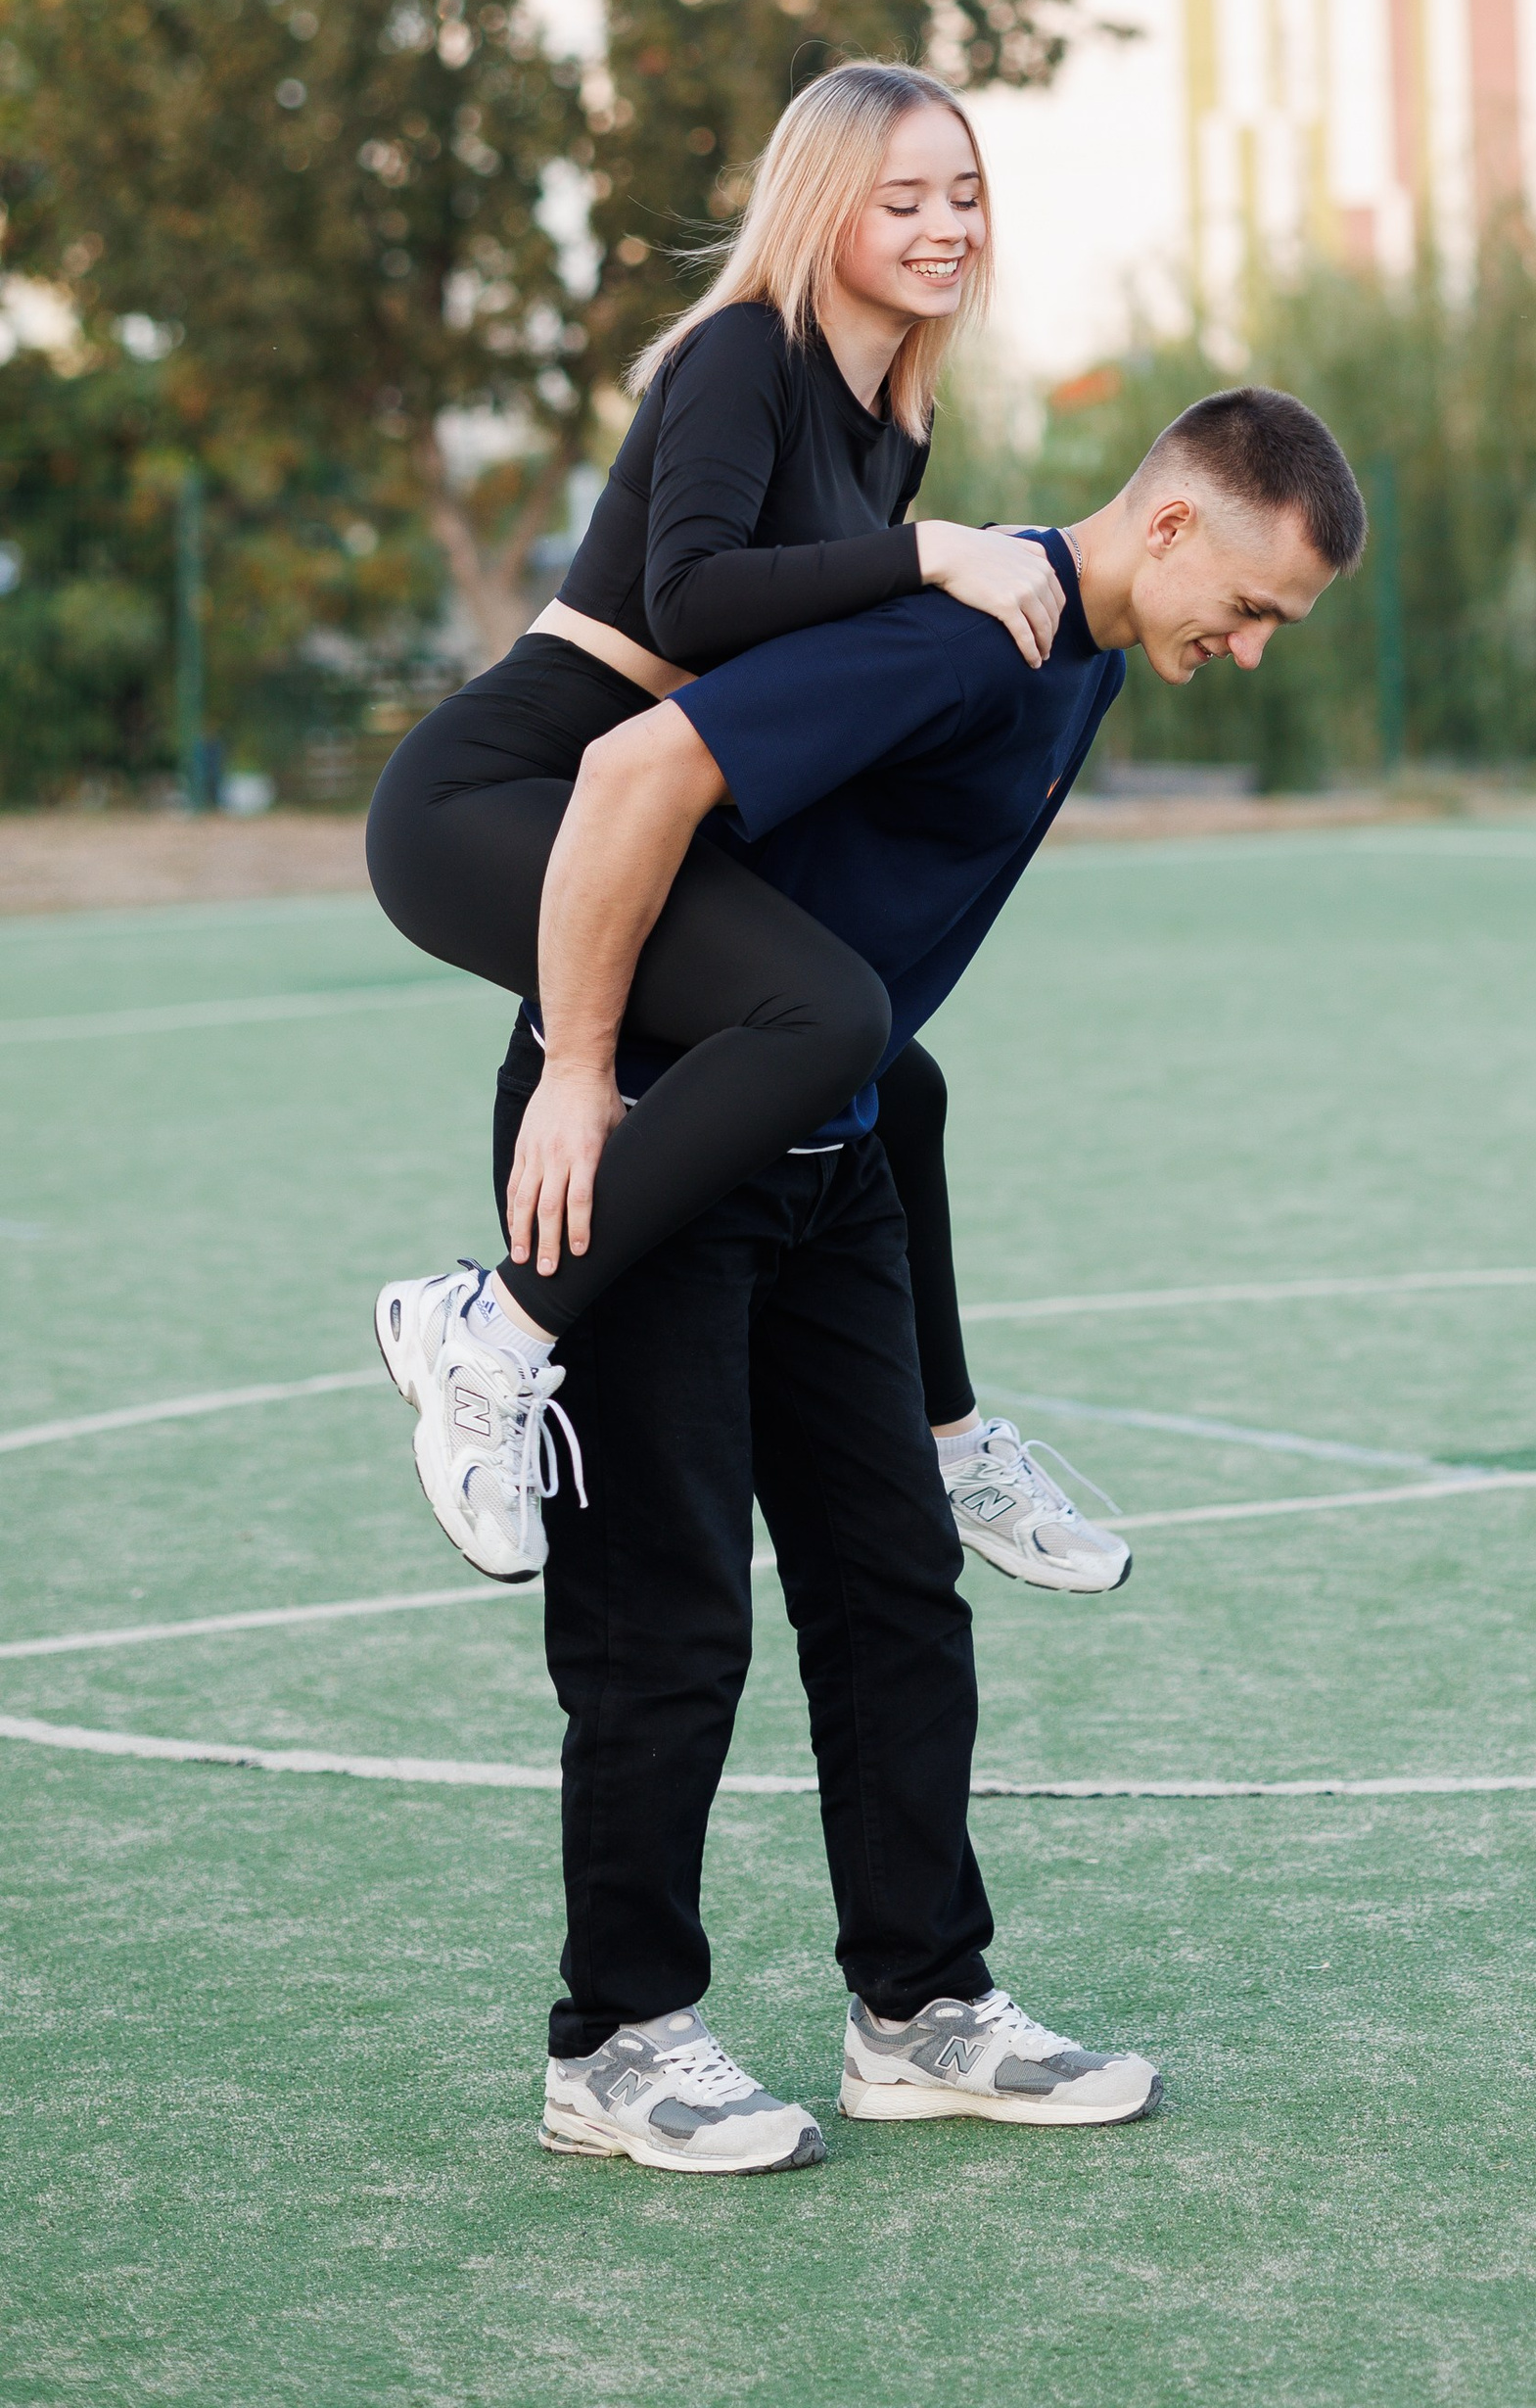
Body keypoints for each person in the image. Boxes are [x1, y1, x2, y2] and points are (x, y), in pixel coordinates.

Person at [425, 391, 1365, 2168]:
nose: (1247, 650)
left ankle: (920, 2008)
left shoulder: (1082, 659)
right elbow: (632, 777)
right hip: (648, 1143)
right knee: (665, 1617)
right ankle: (615, 2039)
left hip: (828, 1148)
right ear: (1170, 524)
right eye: (1249, 609)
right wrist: (577, 1067)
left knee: (893, 1595)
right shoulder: (964, 634)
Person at [365, 59, 1126, 1592]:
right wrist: (933, 553)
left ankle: (952, 1446)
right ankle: (488, 1329)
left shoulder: (893, 416)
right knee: (828, 1011)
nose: (947, 227)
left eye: (965, 195)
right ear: (824, 207)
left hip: (648, 810)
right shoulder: (744, 354)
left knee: (889, 1076)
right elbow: (693, 597)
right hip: (499, 795)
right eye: (904, 199)